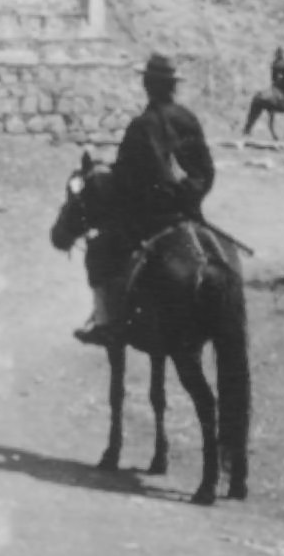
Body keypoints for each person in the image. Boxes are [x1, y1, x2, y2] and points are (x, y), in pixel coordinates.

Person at [75, 52, 215, 346]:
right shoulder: (188, 119)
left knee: (99, 251)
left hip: (150, 219)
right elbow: (206, 170)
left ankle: (107, 323)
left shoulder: (141, 126)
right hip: (189, 213)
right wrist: (189, 198)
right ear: (172, 86)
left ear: (148, 85)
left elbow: (125, 179)